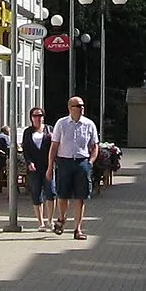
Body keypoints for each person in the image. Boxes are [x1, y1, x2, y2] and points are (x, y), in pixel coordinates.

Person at [48, 95, 103, 240]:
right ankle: (61, 218)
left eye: (82, 105)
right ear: (70, 108)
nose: (81, 108)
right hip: (64, 162)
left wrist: (90, 162)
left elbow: (95, 146)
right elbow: (54, 146)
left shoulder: (89, 124)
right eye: (78, 106)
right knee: (63, 195)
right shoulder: (62, 124)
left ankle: (78, 229)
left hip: (82, 162)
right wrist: (50, 166)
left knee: (81, 197)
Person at [21, 107, 55, 231]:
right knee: (36, 193)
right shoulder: (28, 132)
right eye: (35, 116)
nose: (38, 118)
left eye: (40, 115)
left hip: (48, 166)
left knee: (50, 192)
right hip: (34, 168)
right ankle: (40, 222)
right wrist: (29, 162)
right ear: (31, 118)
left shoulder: (49, 129)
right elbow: (25, 150)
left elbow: (55, 147)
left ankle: (50, 221)